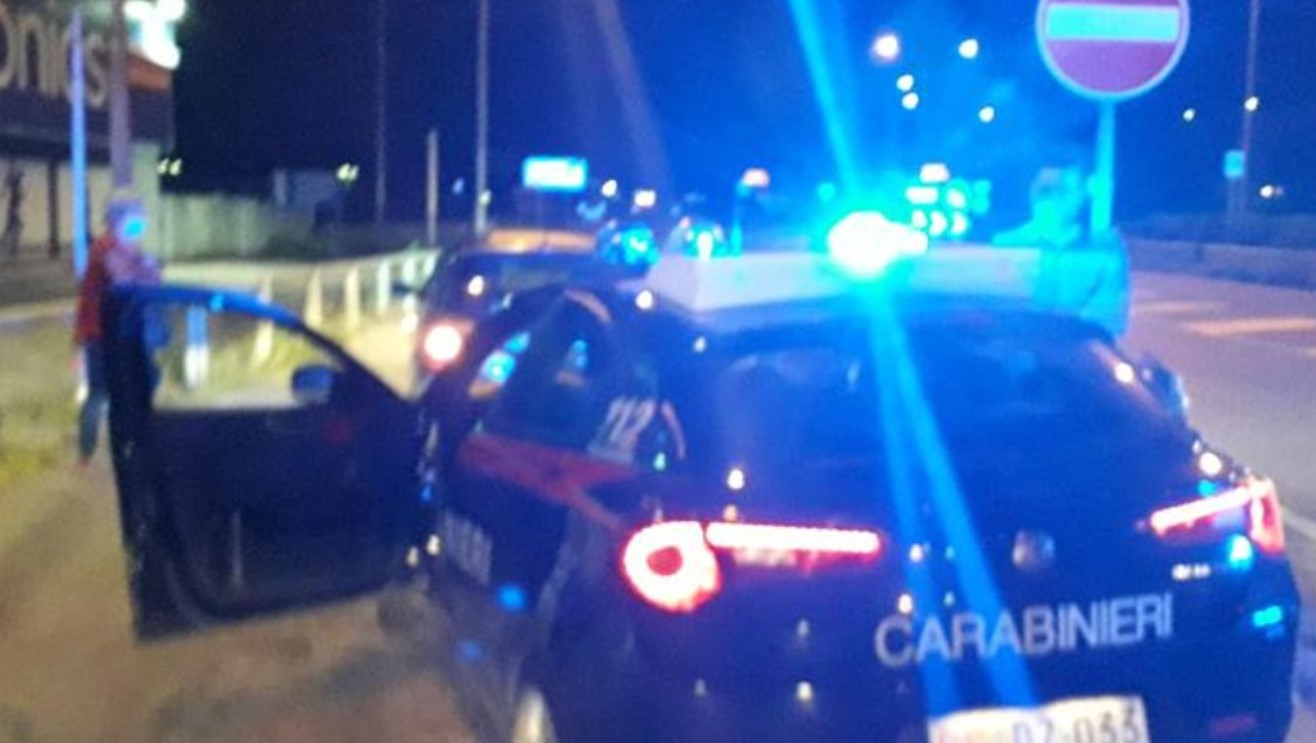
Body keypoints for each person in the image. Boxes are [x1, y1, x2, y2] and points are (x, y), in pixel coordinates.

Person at [74, 194, 162, 465]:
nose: (141, 223)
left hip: (122, 332)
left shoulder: (128, 248)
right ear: (118, 221)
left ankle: (131, 440)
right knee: (100, 392)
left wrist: (147, 269)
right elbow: (126, 280)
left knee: (146, 379)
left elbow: (151, 281)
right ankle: (86, 453)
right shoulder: (105, 247)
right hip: (100, 334)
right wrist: (146, 269)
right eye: (136, 218)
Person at [2, 168, 23, 261]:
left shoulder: (15, 189)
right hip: (13, 211)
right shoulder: (15, 189)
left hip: (13, 210)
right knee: (12, 229)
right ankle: (12, 248)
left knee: (10, 229)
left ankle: (11, 247)